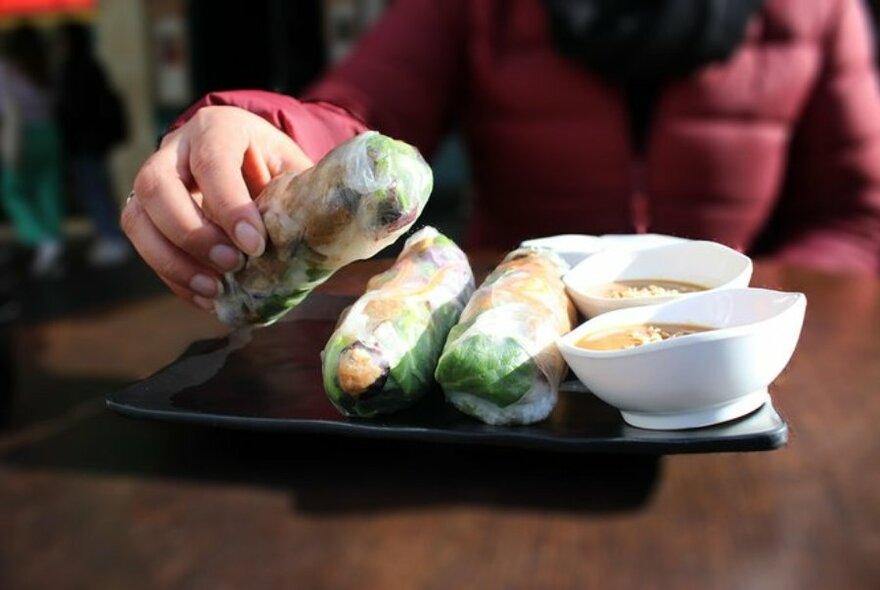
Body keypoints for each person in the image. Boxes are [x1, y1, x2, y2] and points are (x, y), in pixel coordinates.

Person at [123, 0, 880, 311]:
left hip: (740, 388)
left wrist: (740, 317)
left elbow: (859, 216)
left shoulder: (820, 12)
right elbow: (356, 115)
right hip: (506, 362)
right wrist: (249, 128)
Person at [55, 21, 130, 267]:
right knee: (98, 188)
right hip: (96, 141)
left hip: (84, 142)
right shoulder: (93, 65)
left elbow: (73, 109)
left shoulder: (72, 69)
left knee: (93, 190)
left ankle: (111, 239)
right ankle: (111, 236)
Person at [0, 25, 65, 278]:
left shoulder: (6, 72)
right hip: (50, 133)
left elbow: (7, 110)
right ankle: (53, 241)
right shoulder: (44, 68)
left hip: (22, 135)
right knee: (47, 190)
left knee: (12, 190)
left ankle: (41, 238)